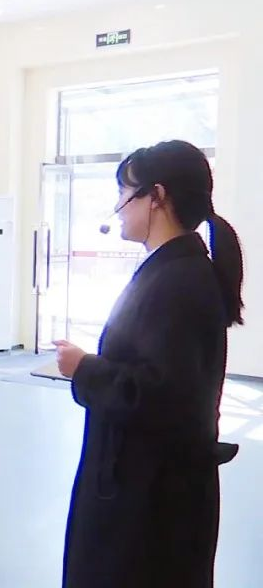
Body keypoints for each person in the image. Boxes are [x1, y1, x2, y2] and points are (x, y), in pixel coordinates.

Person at [53, 140, 242, 588]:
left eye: (124, 192)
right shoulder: (171, 270)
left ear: (156, 196)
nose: (118, 207)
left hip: (151, 499)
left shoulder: (180, 281)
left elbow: (161, 397)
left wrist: (84, 368)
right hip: (145, 483)